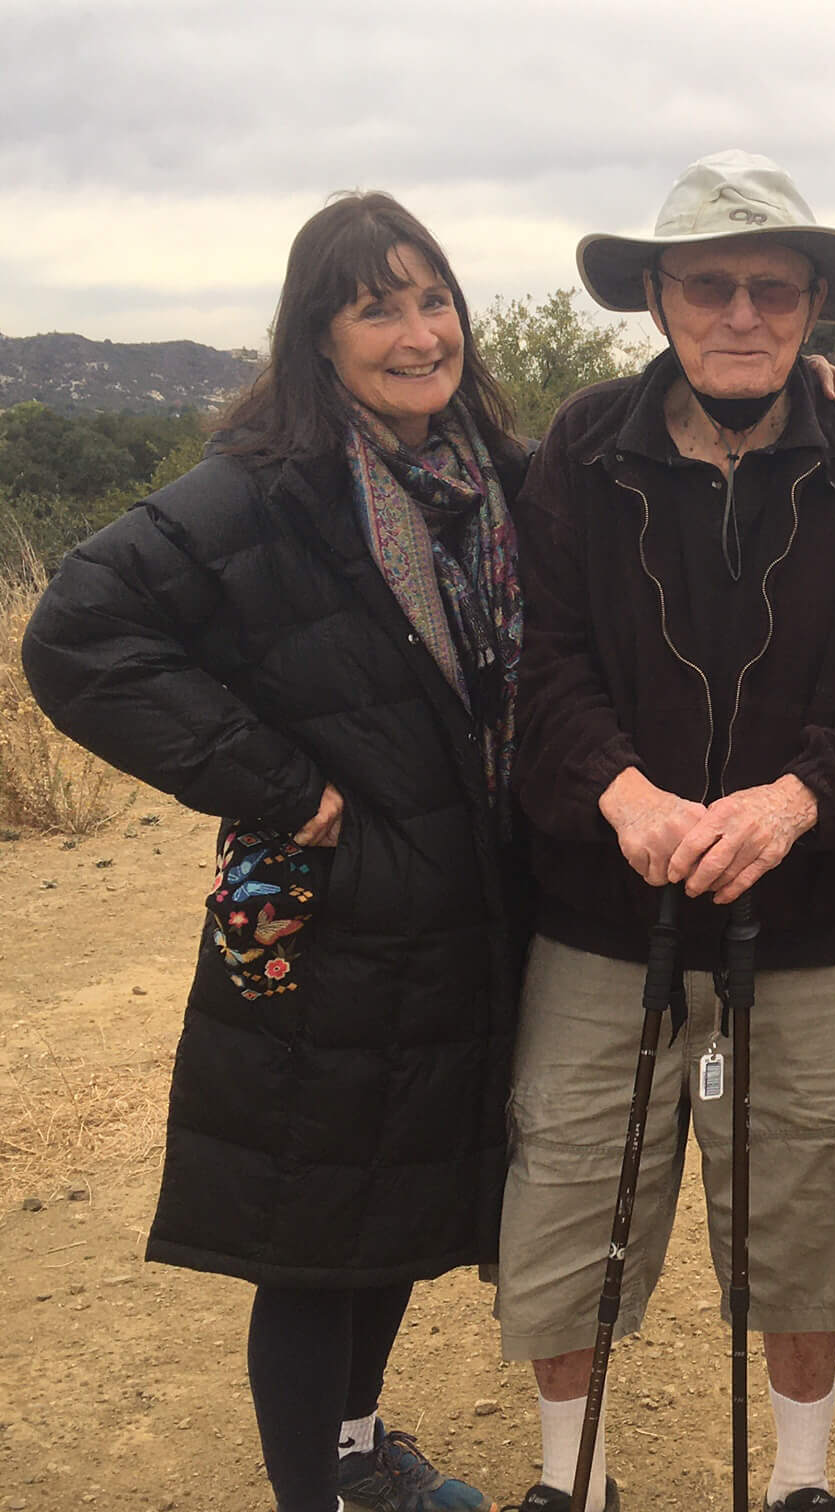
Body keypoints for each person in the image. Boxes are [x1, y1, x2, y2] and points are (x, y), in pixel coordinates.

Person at [21, 192, 528, 1512]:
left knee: (400, 1211)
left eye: (434, 298)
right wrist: (283, 787)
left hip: (463, 920)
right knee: (317, 1237)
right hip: (329, 918)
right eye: (378, 308)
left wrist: (823, 392)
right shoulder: (264, 489)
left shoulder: (494, 474)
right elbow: (77, 636)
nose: (420, 333)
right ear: (317, 336)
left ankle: (359, 1456)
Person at [494, 150, 835, 1512]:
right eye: (712, 284)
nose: (743, 313)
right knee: (571, 1208)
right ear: (657, 297)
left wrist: (797, 800)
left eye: (775, 286)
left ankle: (798, 1487)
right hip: (604, 913)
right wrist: (620, 792)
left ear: (816, 303)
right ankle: (568, 1487)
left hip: (814, 922)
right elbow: (541, 664)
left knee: (807, 1219)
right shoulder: (578, 452)